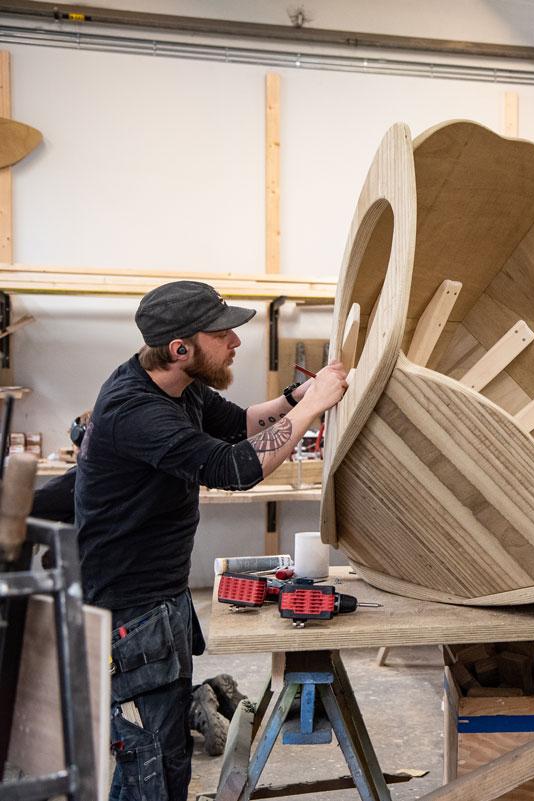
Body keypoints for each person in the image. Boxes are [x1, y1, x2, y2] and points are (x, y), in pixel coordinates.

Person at [74, 280, 348, 801]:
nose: (236, 343)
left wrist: (297, 396)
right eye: (223, 335)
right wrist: (309, 411)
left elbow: (241, 425)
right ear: (180, 349)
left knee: (168, 745)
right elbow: (235, 467)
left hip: (163, 598)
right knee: (149, 759)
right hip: (129, 611)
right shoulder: (135, 409)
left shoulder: (181, 389)